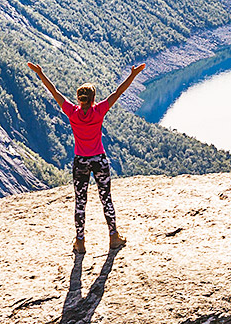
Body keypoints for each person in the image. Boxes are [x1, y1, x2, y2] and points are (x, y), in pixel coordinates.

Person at [27, 61, 145, 253]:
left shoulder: (71, 112)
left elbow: (54, 91)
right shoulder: (99, 111)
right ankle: (113, 237)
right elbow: (118, 92)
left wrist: (40, 73)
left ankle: (80, 242)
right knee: (106, 198)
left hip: (80, 160)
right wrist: (132, 75)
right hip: (99, 159)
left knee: (80, 201)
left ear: (79, 98)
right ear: (93, 99)